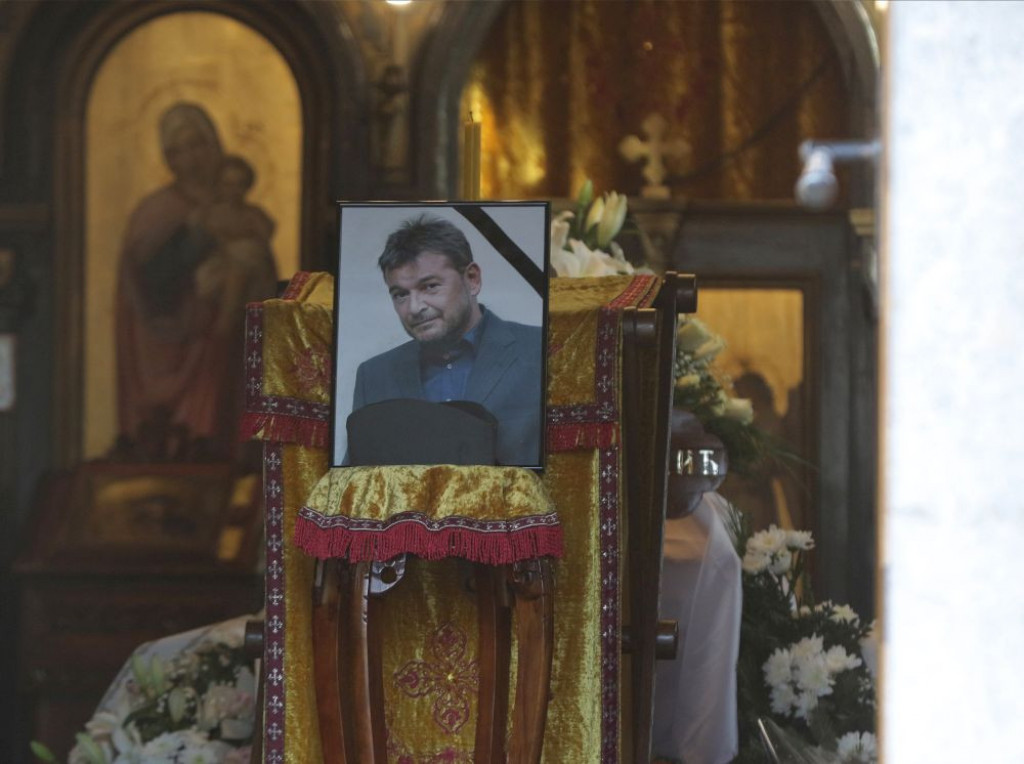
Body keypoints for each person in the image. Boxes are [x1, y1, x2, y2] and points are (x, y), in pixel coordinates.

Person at [115, 103, 272, 461]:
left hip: (224, 338)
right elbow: (146, 279)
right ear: (169, 159)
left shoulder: (239, 209)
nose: (193, 158)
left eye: (199, 144)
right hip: (171, 332)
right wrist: (197, 238)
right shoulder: (157, 210)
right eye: (180, 150)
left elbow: (262, 266)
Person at [350, 215, 543, 465]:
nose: (415, 308)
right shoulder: (373, 376)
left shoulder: (539, 351)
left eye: (430, 286)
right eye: (400, 295)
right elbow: (355, 479)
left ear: (472, 279)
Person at [191, 155, 278, 336]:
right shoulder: (209, 213)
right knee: (241, 256)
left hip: (254, 274)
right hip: (215, 270)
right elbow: (202, 241)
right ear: (218, 185)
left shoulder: (253, 214)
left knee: (246, 252)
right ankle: (225, 321)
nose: (233, 191)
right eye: (227, 184)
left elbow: (265, 237)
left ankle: (227, 320)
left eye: (239, 185)